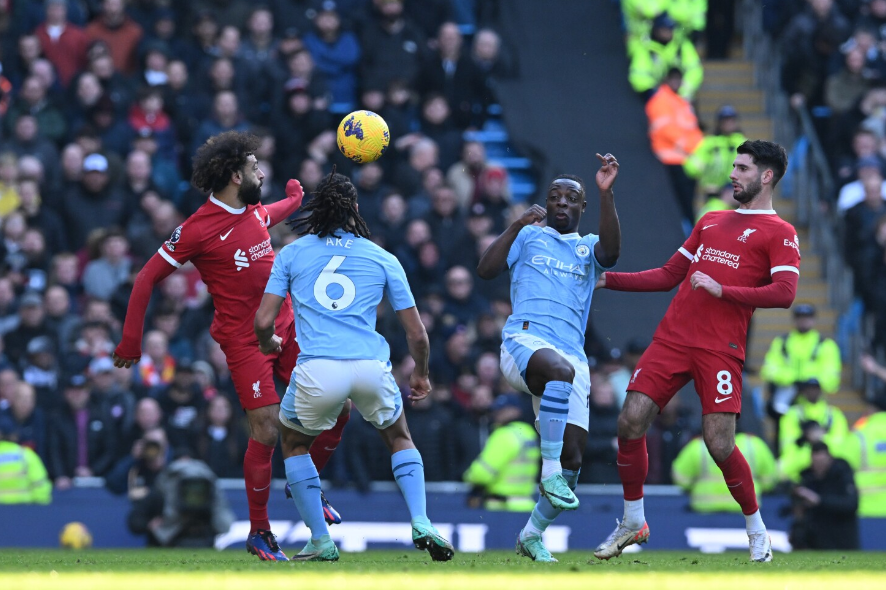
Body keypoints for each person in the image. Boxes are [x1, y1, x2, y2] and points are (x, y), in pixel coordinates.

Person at [112, 131, 349, 561]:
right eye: (256, 166)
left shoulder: (253, 210)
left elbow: (267, 215)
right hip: (244, 342)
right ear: (236, 175)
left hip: (290, 326)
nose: (262, 172)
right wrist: (131, 340)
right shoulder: (197, 229)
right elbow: (146, 277)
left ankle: (309, 492)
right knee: (268, 429)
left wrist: (295, 201)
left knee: (341, 406)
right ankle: (260, 532)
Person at [592, 140, 800, 563]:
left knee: (719, 443)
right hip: (673, 339)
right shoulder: (711, 221)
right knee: (630, 421)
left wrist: (724, 290)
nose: (732, 175)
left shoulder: (781, 232)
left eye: (742, 168)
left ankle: (756, 528)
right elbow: (670, 275)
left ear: (766, 176)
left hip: (721, 349)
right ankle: (633, 521)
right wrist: (606, 281)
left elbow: (785, 293)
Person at [254, 168, 454, 562]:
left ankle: (320, 540)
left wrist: (269, 342)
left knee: (294, 444)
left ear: (315, 209)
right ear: (355, 209)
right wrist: (421, 373)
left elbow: (263, 321)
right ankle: (421, 520)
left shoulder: (292, 253)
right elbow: (417, 334)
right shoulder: (381, 257)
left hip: (318, 370)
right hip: (369, 368)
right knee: (399, 438)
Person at [477, 153, 622, 562]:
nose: (561, 202)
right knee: (557, 379)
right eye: (554, 196)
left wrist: (606, 193)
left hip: (572, 357)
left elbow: (611, 254)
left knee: (574, 461)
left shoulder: (588, 248)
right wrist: (516, 224)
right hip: (523, 343)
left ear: (581, 207)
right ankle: (548, 471)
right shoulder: (528, 237)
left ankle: (531, 534)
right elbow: (486, 270)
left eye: (570, 198)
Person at [761, 303, 842, 446]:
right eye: (800, 317)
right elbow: (768, 370)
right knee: (784, 437)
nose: (803, 321)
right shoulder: (782, 342)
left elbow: (832, 379)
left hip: (814, 403)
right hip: (788, 400)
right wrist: (794, 380)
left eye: (807, 317)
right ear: (794, 319)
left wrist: (807, 383)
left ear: (814, 320)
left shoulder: (825, 345)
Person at [462, 393, 539, 512]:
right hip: (525, 504)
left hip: (501, 507)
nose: (496, 414)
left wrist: (468, 476)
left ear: (515, 411)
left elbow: (481, 474)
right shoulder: (529, 433)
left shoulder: (503, 435)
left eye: (502, 410)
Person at [789, 441, 859, 550]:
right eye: (815, 462)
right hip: (816, 537)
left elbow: (850, 504)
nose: (818, 467)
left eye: (821, 462)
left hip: (841, 536)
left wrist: (819, 500)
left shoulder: (841, 473)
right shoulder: (808, 476)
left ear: (829, 459)